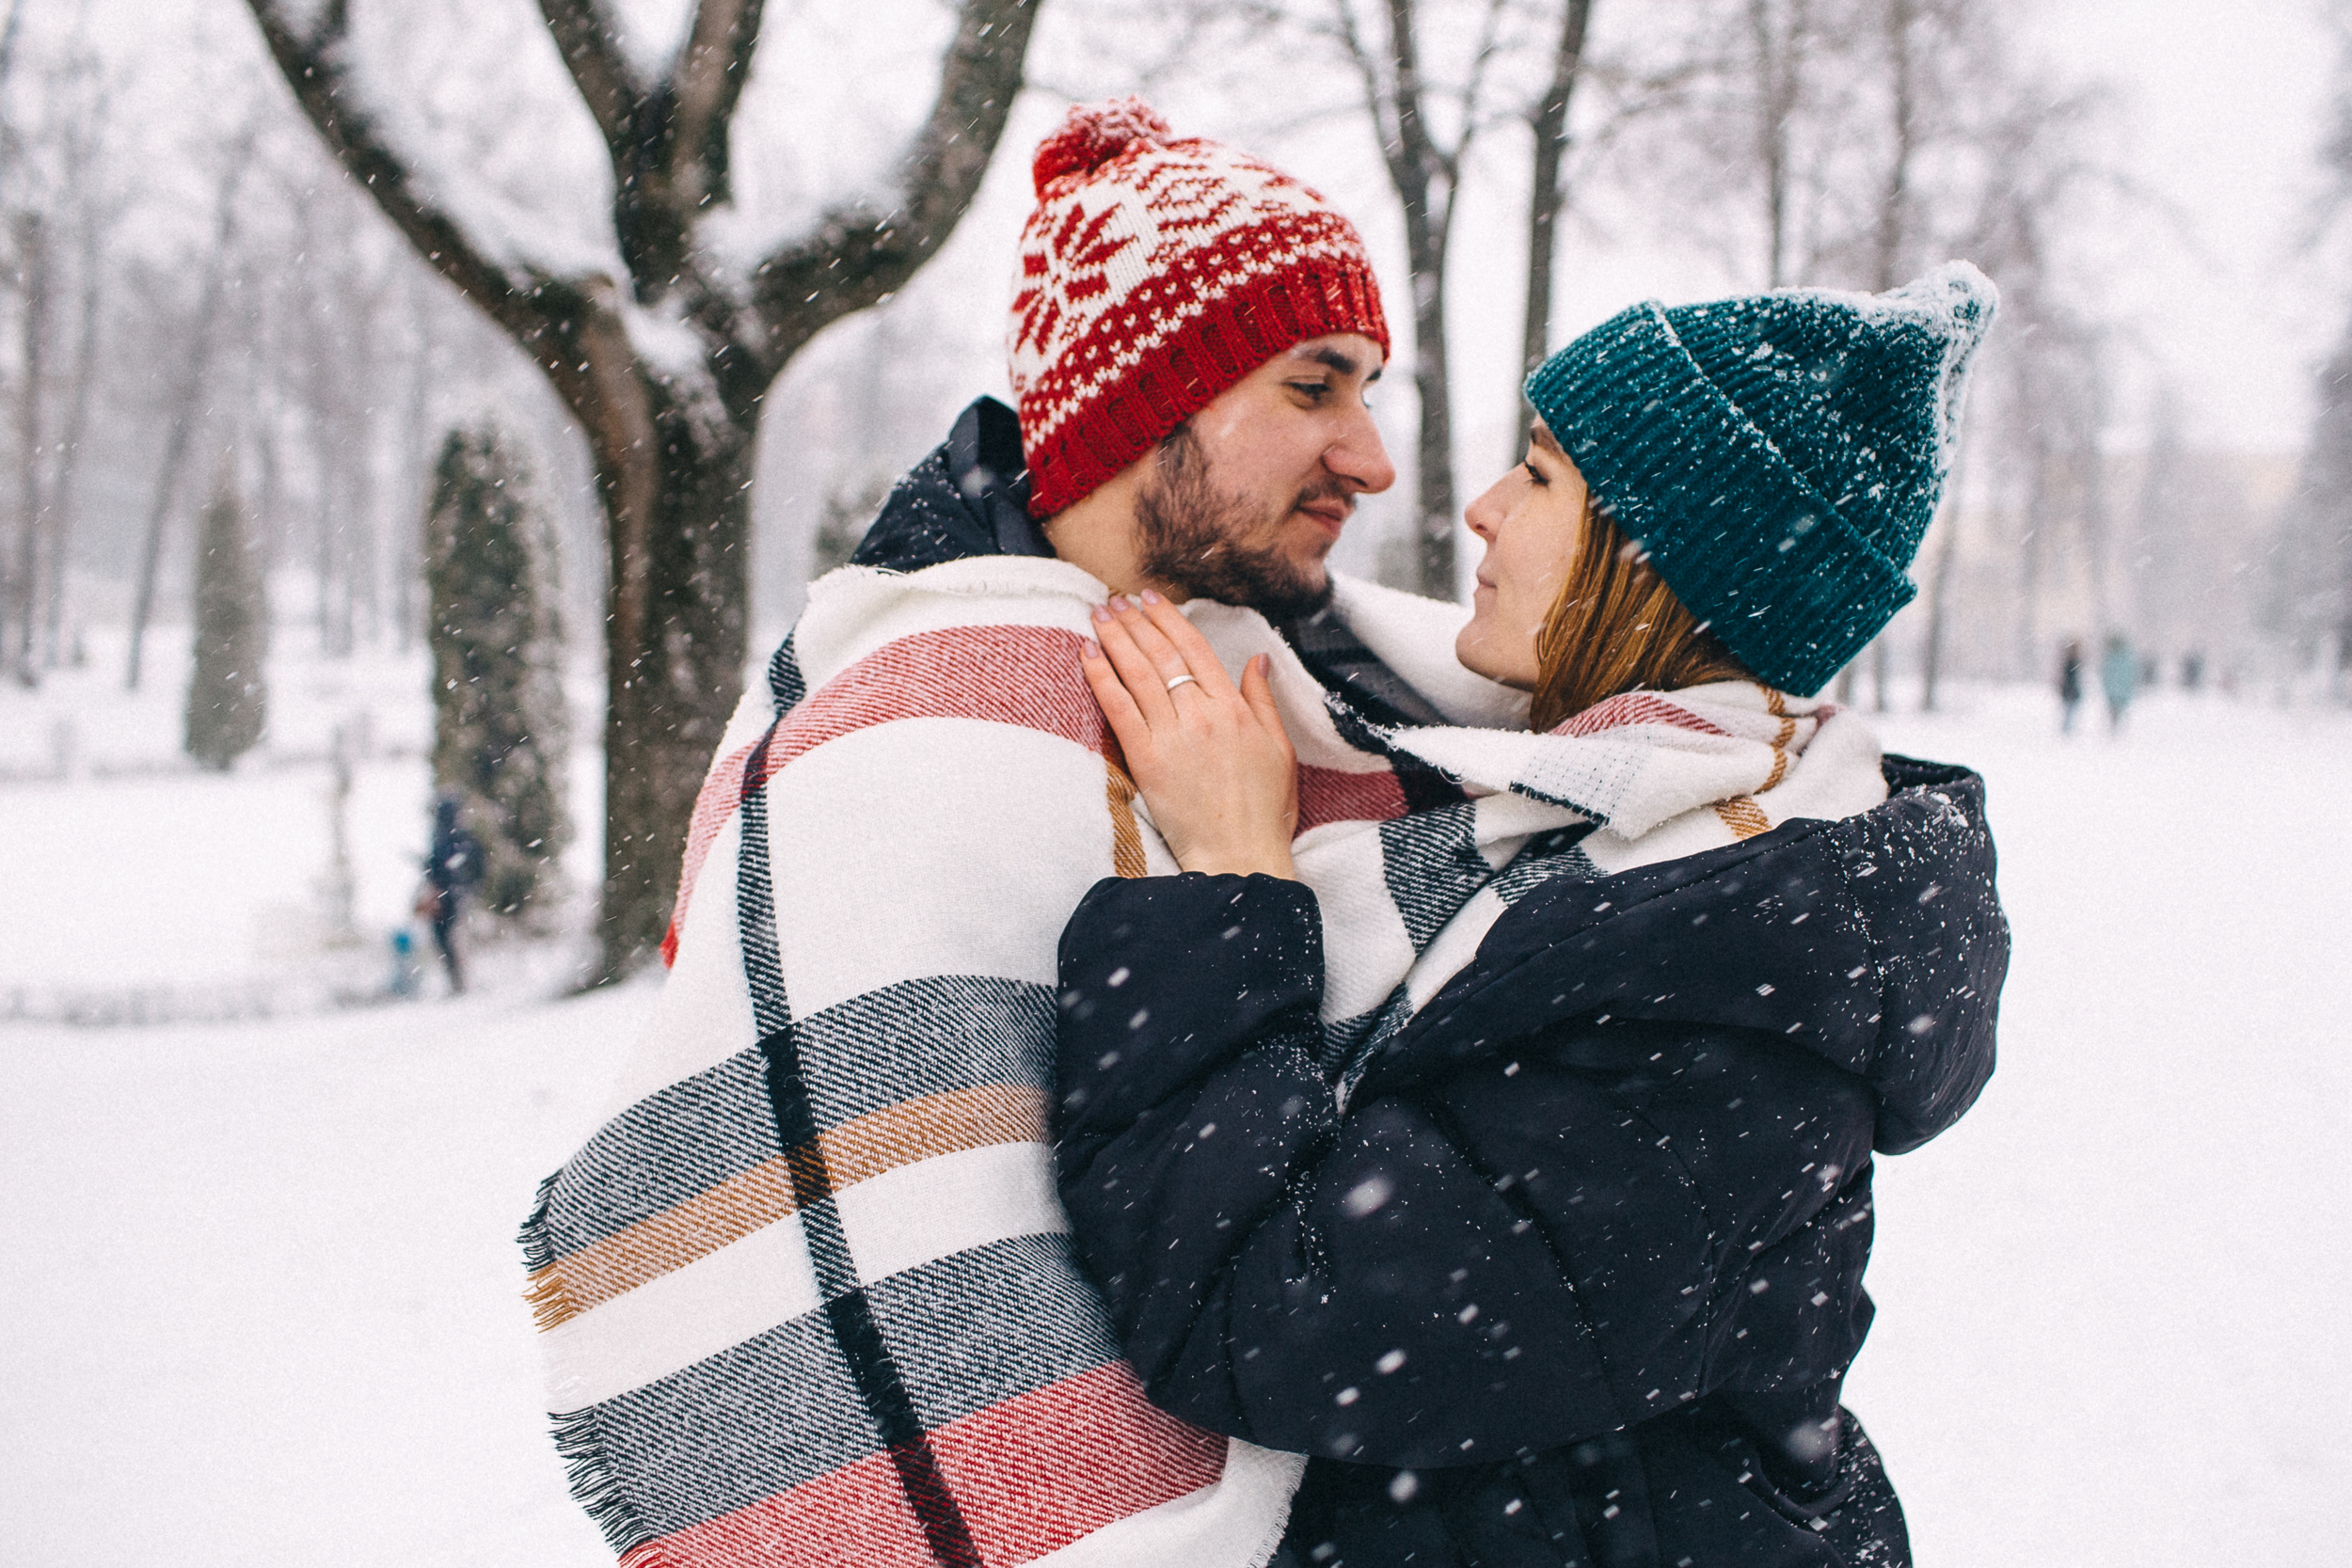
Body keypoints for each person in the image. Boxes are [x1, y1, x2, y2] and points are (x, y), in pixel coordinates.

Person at [520, 98, 1550, 1567]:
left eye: (1369, 390)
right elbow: (898, 1217)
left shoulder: (1324, 672)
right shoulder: (912, 727)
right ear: (1148, 403)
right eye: (1317, 386)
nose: (1373, 458)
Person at [1055, 265, 2010, 1567]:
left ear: (1662, 556)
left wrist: (1235, 876)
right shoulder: (1620, 836)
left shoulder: (1722, 982)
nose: (1481, 509)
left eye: (1545, 474)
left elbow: (1270, 1314)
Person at [418, 790, 483, 994]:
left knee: (451, 939)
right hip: (448, 896)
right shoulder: (449, 837)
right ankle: (458, 983)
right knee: (447, 940)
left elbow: (470, 867)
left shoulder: (455, 838)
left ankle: (461, 984)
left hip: (452, 896)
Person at [2101, 631, 2139, 733]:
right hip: (2119, 689)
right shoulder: (2125, 657)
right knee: (2117, 709)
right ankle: (2116, 728)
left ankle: (2116, 727)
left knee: (2115, 709)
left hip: (2116, 689)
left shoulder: (2112, 657)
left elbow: (2107, 673)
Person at [2058, 636, 2085, 734]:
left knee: (2070, 711)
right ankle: (2066, 729)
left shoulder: (2071, 661)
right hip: (2071, 689)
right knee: (2069, 711)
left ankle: (2067, 729)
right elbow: (2069, 677)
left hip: (2070, 689)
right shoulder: (2071, 661)